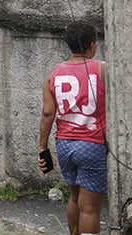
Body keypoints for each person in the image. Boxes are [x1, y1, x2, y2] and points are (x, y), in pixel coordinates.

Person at [38, 21, 107, 235]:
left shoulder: (54, 73)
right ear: (92, 46)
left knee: (75, 197)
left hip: (65, 145)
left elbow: (48, 113)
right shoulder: (102, 69)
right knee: (90, 208)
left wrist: (42, 147)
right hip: (92, 144)